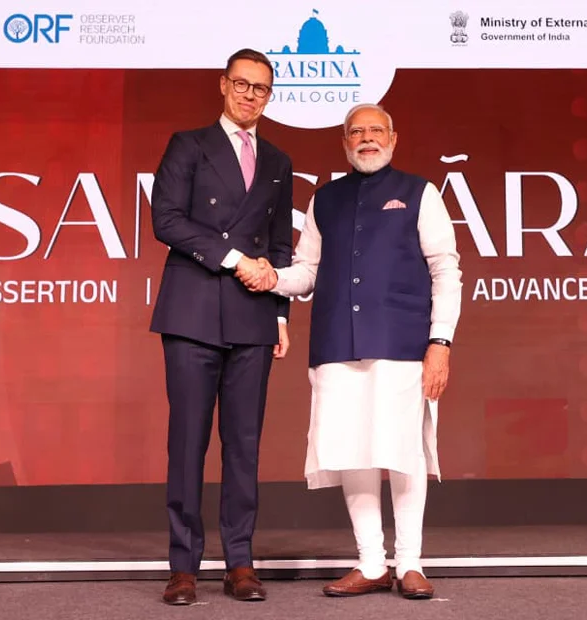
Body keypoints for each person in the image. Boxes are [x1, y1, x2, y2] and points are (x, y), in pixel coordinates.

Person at [237, 103, 462, 599]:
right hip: (337, 344)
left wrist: (440, 342)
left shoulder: (420, 193)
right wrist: (271, 278)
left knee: (403, 452)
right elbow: (307, 271)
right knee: (352, 450)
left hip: (403, 344)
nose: (366, 138)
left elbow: (446, 270)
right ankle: (372, 562)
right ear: (344, 143)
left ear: (393, 138)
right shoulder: (326, 199)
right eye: (356, 132)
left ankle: (410, 563)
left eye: (376, 130)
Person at [149, 48, 293, 605]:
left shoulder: (278, 160)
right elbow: (166, 220)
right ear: (223, 85)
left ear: (269, 96)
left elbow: (278, 244)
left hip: (254, 314)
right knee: (187, 443)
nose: (250, 95)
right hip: (192, 311)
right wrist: (235, 260)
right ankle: (183, 567)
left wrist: (279, 312)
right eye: (242, 84)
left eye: (261, 88)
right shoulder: (188, 144)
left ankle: (240, 562)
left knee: (244, 445)